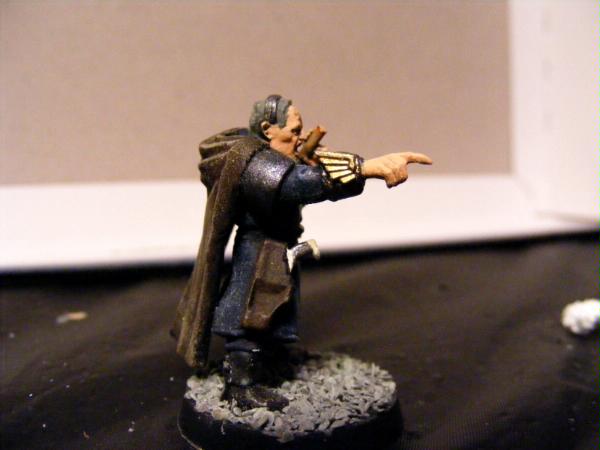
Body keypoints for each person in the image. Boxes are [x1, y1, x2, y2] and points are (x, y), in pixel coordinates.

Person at [172, 95, 432, 410]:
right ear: (268, 129)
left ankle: (271, 361)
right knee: (250, 315)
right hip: (259, 251)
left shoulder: (277, 156)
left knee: (274, 309)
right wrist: (364, 168)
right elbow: (296, 185)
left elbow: (307, 179)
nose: (299, 136)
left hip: (277, 247)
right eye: (293, 131)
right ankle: (240, 385)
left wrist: (324, 163)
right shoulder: (256, 162)